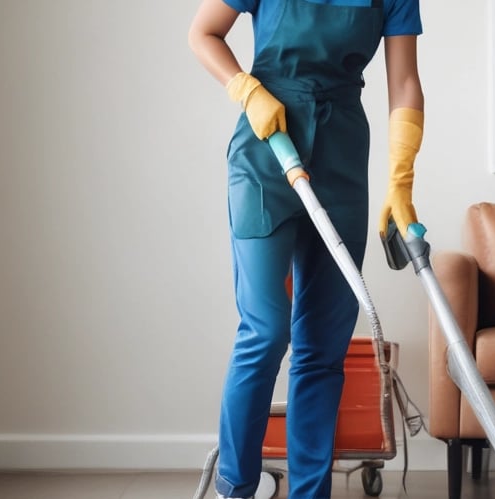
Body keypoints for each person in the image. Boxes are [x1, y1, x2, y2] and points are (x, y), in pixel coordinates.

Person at [187, 0, 424, 497]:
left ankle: (310, 493)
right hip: (264, 150)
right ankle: (235, 487)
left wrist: (401, 180)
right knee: (266, 328)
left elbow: (403, 82)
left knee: (322, 349)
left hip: (341, 155)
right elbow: (204, 32)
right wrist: (246, 89)